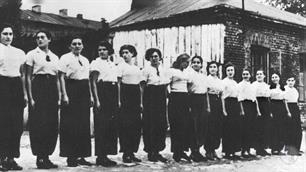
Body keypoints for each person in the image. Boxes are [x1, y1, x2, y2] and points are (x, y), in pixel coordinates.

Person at [26, 30, 60, 169]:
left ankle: (47, 156)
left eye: (42, 37)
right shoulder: (31, 54)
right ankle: (40, 157)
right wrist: (30, 97)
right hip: (38, 87)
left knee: (51, 123)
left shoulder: (55, 57)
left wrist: (59, 96)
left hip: (51, 88)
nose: (39, 40)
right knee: (39, 123)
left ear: (49, 39)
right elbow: (27, 77)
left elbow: (57, 78)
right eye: (37, 38)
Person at [58, 36, 93, 167]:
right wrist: (64, 94)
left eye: (79, 43)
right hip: (71, 88)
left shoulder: (85, 60)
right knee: (70, 124)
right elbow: (61, 77)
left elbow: (87, 79)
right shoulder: (65, 58)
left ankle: (82, 155)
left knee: (83, 123)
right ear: (70, 46)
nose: (77, 46)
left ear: (83, 46)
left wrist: (90, 96)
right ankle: (71, 156)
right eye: (74, 44)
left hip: (83, 90)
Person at [0, 23, 27, 171]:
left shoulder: (19, 52)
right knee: (3, 123)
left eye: (10, 34)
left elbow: (22, 75)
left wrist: (24, 94)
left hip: (16, 86)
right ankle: (2, 158)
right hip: (2, 86)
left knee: (16, 124)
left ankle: (11, 158)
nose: (8, 37)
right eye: (5, 34)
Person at [90, 41, 119, 167]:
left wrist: (118, 99)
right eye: (99, 50)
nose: (101, 52)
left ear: (109, 51)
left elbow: (117, 83)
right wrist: (96, 99)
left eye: (104, 49)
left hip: (112, 93)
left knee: (110, 125)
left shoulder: (112, 64)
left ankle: (106, 155)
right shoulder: (96, 63)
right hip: (102, 92)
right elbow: (93, 82)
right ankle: (100, 156)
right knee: (101, 125)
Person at [117, 45, 143, 163]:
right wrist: (119, 100)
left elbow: (140, 86)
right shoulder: (120, 67)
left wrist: (141, 102)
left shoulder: (137, 68)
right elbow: (118, 84)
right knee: (126, 125)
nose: (124, 55)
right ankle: (126, 153)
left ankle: (132, 151)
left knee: (135, 125)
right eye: (123, 53)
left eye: (127, 52)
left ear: (132, 53)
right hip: (125, 94)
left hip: (135, 95)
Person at [142, 48, 169, 163]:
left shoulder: (163, 69)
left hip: (161, 95)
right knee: (151, 123)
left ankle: (158, 151)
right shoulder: (146, 70)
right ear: (149, 58)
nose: (154, 58)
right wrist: (142, 102)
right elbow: (142, 86)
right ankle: (150, 151)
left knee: (160, 123)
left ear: (160, 57)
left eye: (156, 56)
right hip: (150, 96)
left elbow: (166, 84)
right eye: (152, 56)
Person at [168, 53, 192, 163]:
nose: (186, 64)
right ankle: (176, 152)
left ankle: (182, 150)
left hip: (185, 97)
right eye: (184, 61)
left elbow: (189, 85)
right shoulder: (172, 71)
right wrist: (169, 95)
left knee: (184, 125)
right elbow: (166, 84)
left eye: (188, 62)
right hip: (175, 96)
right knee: (176, 124)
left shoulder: (187, 72)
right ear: (179, 61)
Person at [187, 56, 209, 162]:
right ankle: (193, 151)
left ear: (201, 64)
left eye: (198, 62)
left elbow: (206, 92)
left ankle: (198, 150)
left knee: (202, 125)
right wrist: (189, 105)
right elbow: (187, 90)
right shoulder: (189, 75)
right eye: (194, 62)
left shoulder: (203, 76)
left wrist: (207, 105)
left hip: (202, 100)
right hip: (193, 100)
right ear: (191, 64)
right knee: (193, 126)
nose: (196, 64)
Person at [221, 62, 242, 160]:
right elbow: (222, 97)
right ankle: (227, 151)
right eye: (228, 70)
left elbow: (238, 97)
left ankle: (233, 151)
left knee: (235, 128)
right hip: (227, 104)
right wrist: (224, 110)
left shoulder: (235, 83)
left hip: (235, 105)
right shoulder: (224, 82)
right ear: (226, 72)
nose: (230, 72)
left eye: (231, 70)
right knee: (227, 129)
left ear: (234, 71)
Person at [205, 61, 224, 161]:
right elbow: (207, 94)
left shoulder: (220, 81)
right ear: (208, 69)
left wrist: (223, 109)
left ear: (217, 69)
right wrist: (208, 106)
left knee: (217, 127)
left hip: (218, 104)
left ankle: (214, 149)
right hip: (210, 102)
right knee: (210, 127)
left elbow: (221, 95)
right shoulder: (207, 79)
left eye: (214, 67)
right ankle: (209, 150)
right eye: (211, 67)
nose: (213, 69)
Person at [252, 69, 272, 156]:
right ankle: (258, 148)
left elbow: (268, 98)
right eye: (257, 74)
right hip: (257, 104)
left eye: (260, 74)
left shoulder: (266, 85)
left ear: (264, 76)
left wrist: (269, 110)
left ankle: (263, 147)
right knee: (258, 127)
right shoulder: (253, 85)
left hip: (265, 105)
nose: (259, 75)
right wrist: (257, 110)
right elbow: (254, 98)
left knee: (265, 127)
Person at [238, 68, 257, 158]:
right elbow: (240, 98)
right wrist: (242, 110)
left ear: (250, 75)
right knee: (244, 129)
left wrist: (256, 110)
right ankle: (243, 150)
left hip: (251, 106)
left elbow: (254, 98)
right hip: (244, 106)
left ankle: (248, 149)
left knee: (251, 128)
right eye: (244, 74)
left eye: (247, 74)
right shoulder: (240, 85)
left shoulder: (252, 85)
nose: (245, 76)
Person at [269, 73, 290, 155]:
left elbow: (285, 100)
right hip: (273, 106)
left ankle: (279, 148)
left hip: (281, 107)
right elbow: (268, 100)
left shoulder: (283, 88)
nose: (274, 78)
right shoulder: (269, 87)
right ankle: (274, 148)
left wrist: (287, 111)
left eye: (276, 77)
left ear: (279, 78)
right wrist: (270, 111)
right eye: (273, 77)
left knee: (281, 128)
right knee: (274, 128)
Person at [284, 76, 303, 156]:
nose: (291, 82)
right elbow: (285, 102)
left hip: (295, 108)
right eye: (289, 80)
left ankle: (296, 148)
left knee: (298, 129)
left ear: (295, 81)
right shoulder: (285, 89)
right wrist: (288, 112)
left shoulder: (295, 90)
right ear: (286, 81)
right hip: (289, 108)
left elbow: (296, 101)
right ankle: (291, 150)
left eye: (292, 80)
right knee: (291, 129)